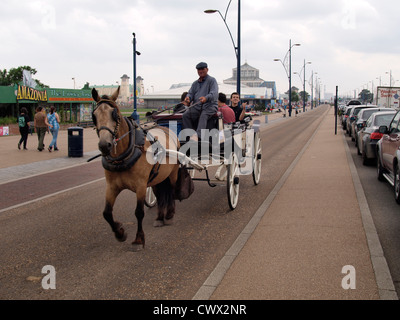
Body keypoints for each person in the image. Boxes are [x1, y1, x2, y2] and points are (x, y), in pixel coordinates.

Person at [182, 62, 218, 141]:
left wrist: (206, 98)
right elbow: (190, 93)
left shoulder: (212, 80)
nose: (200, 71)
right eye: (199, 70)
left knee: (203, 115)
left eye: (202, 69)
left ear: (207, 69)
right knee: (185, 115)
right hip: (197, 107)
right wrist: (188, 98)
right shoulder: (195, 83)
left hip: (210, 106)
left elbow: (214, 94)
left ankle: (198, 137)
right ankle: (190, 135)